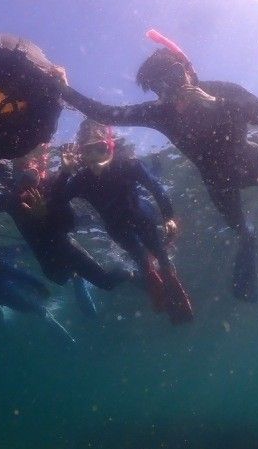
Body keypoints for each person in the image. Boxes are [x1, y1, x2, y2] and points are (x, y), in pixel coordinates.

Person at [59, 34, 258, 301]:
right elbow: (104, 113)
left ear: (187, 70)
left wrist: (216, 103)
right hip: (219, 183)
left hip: (255, 163)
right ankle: (249, 242)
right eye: (161, 88)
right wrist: (60, 88)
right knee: (243, 232)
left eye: (174, 78)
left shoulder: (221, 91)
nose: (172, 92)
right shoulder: (160, 113)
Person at [54, 120, 193, 324]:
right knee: (142, 262)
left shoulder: (128, 165)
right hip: (118, 229)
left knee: (161, 256)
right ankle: (162, 296)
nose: (94, 156)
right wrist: (65, 172)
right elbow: (57, 201)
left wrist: (168, 217)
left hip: (143, 218)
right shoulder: (81, 180)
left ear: (111, 147)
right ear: (81, 155)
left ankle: (174, 294)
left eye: (100, 148)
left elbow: (156, 187)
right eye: (87, 151)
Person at [0, 151, 134, 304]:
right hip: (52, 266)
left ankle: (132, 272)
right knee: (65, 278)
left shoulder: (49, 191)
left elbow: (69, 224)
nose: (26, 186)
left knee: (106, 282)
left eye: (31, 177)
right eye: (22, 178)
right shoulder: (12, 200)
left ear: (39, 178)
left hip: (65, 252)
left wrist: (46, 212)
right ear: (16, 180)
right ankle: (78, 277)